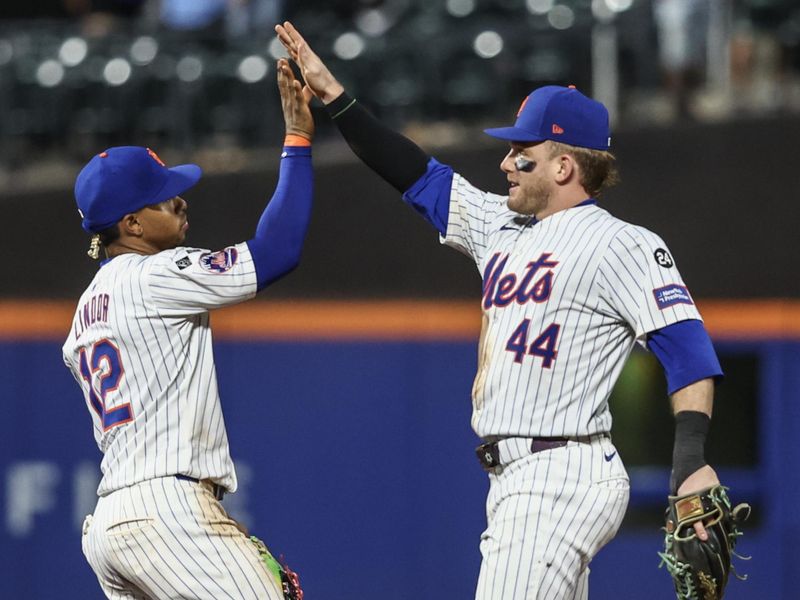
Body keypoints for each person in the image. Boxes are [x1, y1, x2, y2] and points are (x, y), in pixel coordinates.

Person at [276, 21, 724, 600]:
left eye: (522, 151)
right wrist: (337, 98)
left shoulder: (625, 244)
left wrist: (689, 463)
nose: (507, 161)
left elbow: (687, 350)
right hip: (517, 477)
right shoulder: (499, 225)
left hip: (561, 471)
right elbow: (414, 174)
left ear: (564, 166)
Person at [62, 58, 312, 600]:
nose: (180, 198)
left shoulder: (86, 309)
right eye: (162, 195)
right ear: (130, 225)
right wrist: (297, 139)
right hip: (165, 510)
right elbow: (277, 251)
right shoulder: (152, 274)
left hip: (111, 521)